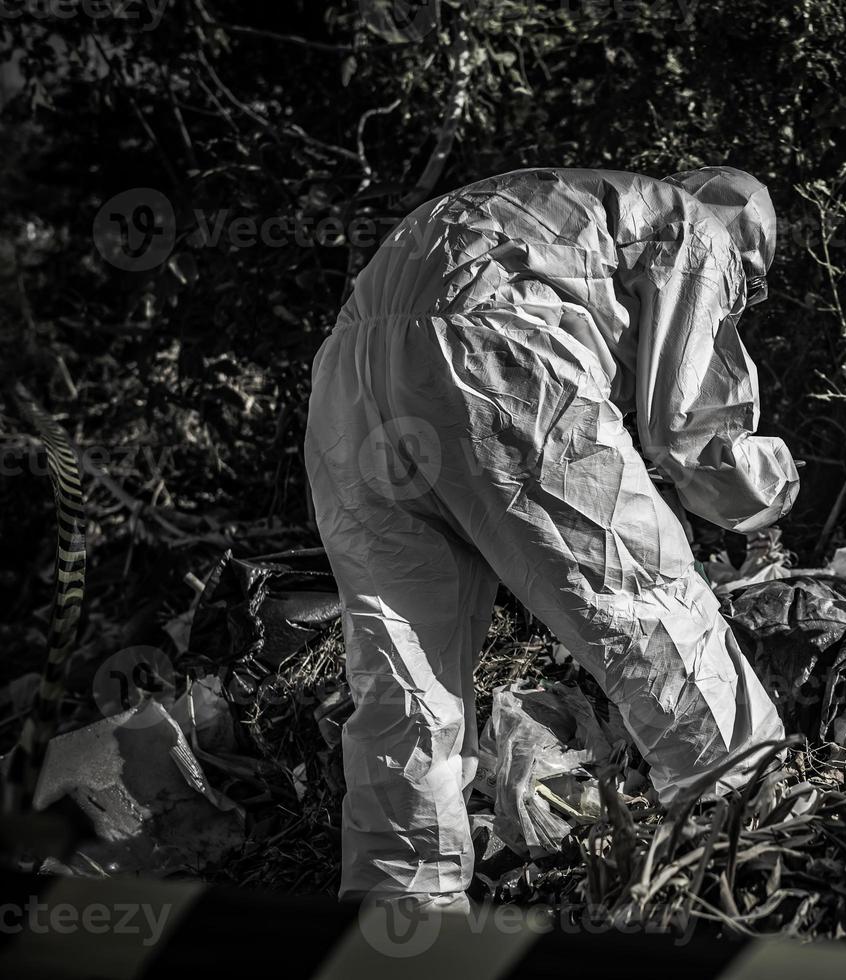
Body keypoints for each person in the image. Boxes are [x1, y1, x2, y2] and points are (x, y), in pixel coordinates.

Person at [304, 167, 799, 911]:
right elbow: (694, 434)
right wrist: (773, 486)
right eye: (746, 283)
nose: (737, 298)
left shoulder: (579, 204)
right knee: (646, 604)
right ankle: (750, 836)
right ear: (745, 244)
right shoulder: (697, 228)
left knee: (402, 662)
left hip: (350, 370)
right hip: (497, 358)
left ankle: (403, 905)